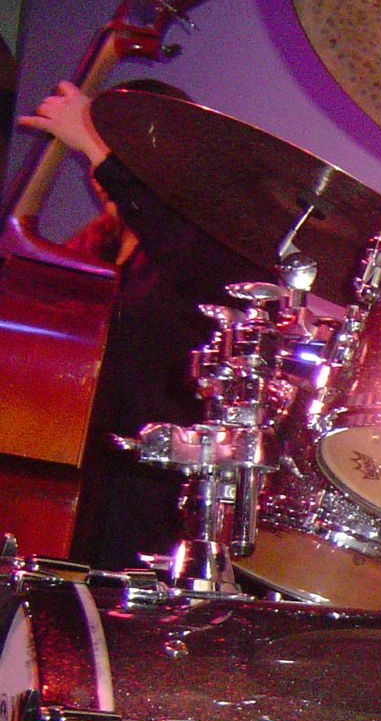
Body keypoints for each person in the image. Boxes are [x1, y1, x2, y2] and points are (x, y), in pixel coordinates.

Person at [17, 78, 265, 569]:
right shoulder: (94, 247)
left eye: (120, 145)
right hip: (77, 476)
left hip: (149, 489)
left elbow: (182, 249)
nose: (100, 170)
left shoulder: (210, 245)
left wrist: (97, 149)